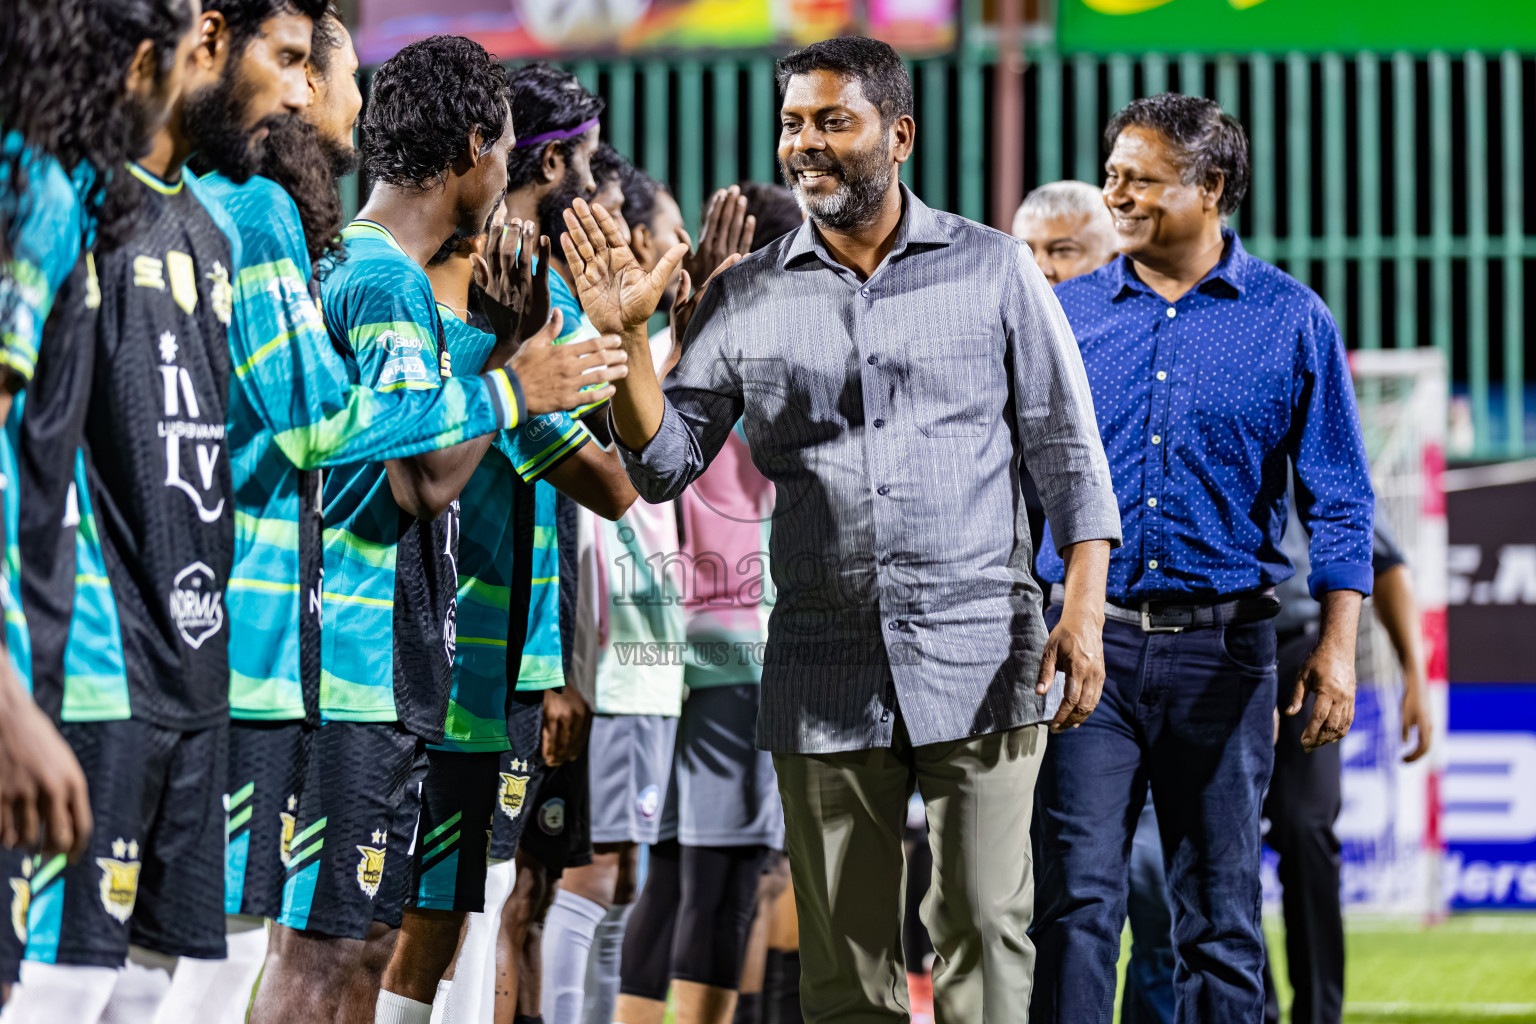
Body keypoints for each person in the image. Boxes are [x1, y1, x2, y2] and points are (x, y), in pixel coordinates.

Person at [565, 35, 1121, 1022]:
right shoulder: (746, 293)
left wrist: (1082, 613)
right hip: (822, 661)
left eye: (833, 121)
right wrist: (624, 342)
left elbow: (1068, 458)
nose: (805, 145)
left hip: (984, 650)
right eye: (792, 124)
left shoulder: (995, 270)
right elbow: (662, 463)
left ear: (898, 134)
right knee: (841, 964)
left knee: (986, 929)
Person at [246, 35, 628, 1024]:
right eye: (504, 147)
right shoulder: (380, 280)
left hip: (396, 661)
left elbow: (608, 483)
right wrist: (505, 376)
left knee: (364, 947)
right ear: (472, 147)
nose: (507, 172)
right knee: (325, 953)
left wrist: (500, 354)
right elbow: (421, 479)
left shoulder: (397, 280)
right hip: (351, 660)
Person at [1028, 93, 1376, 1024]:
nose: (1116, 197)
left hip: (1227, 655)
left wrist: (1338, 649)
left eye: (1138, 180)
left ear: (1210, 187)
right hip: (1085, 652)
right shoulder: (1062, 317)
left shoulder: (1292, 320)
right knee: (1075, 905)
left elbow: (1341, 500)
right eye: (1112, 178)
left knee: (1219, 918)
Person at [2, 0, 314, 1018]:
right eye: (193, 47)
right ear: (153, 60)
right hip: (86, 659)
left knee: (141, 980)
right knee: (67, 977)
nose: (300, 94)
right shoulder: (56, 200)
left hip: (189, 660)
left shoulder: (206, 226)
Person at [613, 177, 791, 1024]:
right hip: (725, 651)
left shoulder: (675, 362)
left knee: (692, 872)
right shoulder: (725, 366)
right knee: (705, 875)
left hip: (691, 655)